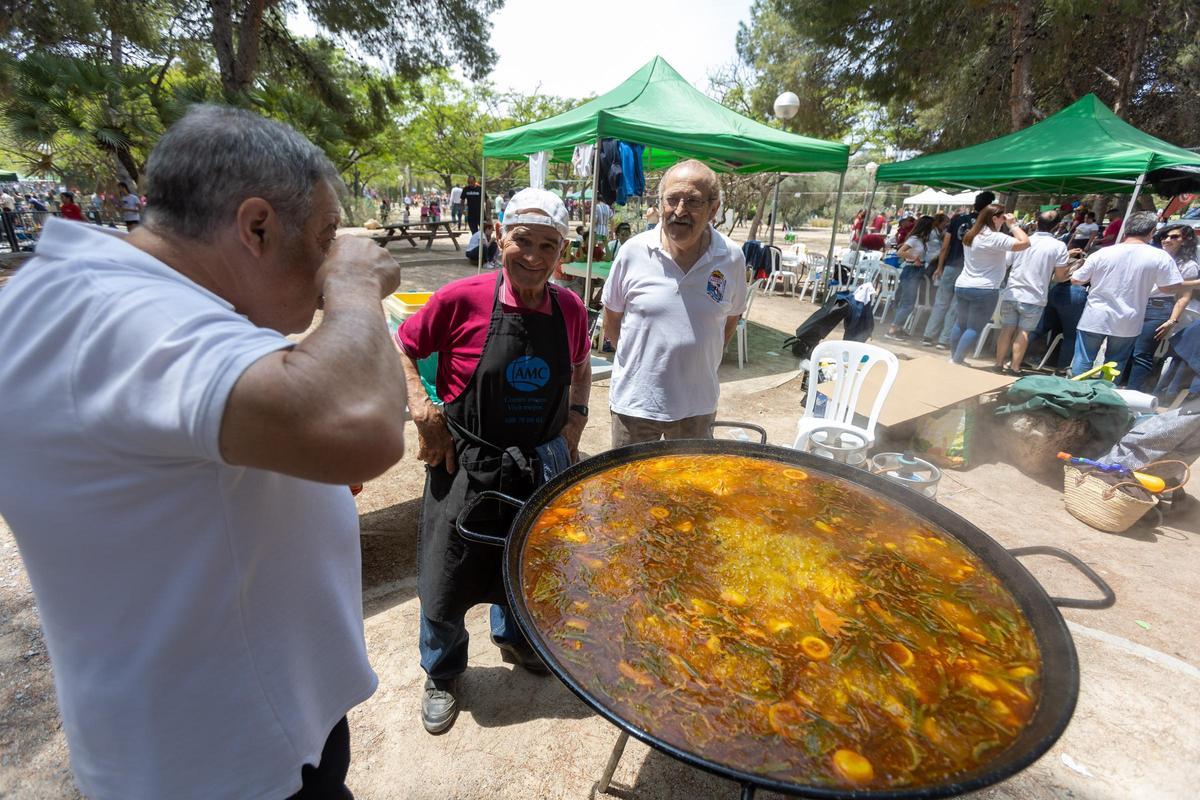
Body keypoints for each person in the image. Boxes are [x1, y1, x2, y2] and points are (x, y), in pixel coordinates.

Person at [0, 105, 407, 800]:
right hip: (230, 759)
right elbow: (360, 426)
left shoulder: (93, 294)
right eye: (324, 237)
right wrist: (355, 285)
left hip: (222, 728)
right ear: (256, 227)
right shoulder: (125, 315)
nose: (326, 264)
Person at [395, 188, 590, 735]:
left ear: (562, 252)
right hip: (467, 460)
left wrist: (576, 421)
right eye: (521, 241)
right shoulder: (461, 298)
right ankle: (443, 670)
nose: (533, 256)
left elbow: (580, 367)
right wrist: (422, 407)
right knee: (447, 571)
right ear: (498, 237)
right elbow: (403, 346)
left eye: (547, 245)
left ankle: (518, 640)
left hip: (537, 465)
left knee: (527, 565)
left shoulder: (570, 308)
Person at [602, 159, 748, 446]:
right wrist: (641, 363)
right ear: (660, 203)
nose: (680, 211)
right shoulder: (633, 251)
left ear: (713, 209)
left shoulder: (731, 258)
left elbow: (730, 321)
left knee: (689, 489)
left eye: (693, 201)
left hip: (697, 408)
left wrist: (695, 358)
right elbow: (611, 318)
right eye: (672, 199)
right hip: (634, 405)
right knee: (630, 488)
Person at [1070, 211, 1183, 376]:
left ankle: (1075, 396)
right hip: (1129, 319)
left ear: (1125, 230)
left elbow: (1077, 279)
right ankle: (1103, 398)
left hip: (1095, 315)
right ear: (1152, 232)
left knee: (1083, 359)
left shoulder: (1103, 253)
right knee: (1115, 364)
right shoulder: (1160, 257)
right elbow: (1168, 288)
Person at [949, 204, 1030, 365]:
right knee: (974, 327)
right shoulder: (994, 237)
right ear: (994, 218)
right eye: (1002, 217)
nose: (1005, 219)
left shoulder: (971, 234)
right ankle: (957, 361)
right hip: (984, 288)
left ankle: (953, 357)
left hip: (963, 284)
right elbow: (1025, 242)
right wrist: (1013, 225)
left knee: (960, 323)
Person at [993, 211, 1069, 375]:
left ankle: (998, 364)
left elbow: (1005, 264)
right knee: (1023, 333)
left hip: (1012, 291)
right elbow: (1060, 276)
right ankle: (1014, 367)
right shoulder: (1058, 246)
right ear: (1057, 226)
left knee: (1007, 330)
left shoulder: (1021, 240)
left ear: (1036, 222)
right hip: (1035, 296)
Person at [1123, 223, 1198, 390]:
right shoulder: (1152, 256)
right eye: (1165, 236)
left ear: (1185, 241)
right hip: (1135, 303)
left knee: (1141, 353)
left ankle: (1134, 393)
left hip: (1158, 308)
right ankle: (1118, 387)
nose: (1167, 240)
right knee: (1125, 348)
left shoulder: (1188, 265)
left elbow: (1184, 297)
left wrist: (1172, 320)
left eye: (1174, 237)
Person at [923, 192, 996, 348]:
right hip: (970, 271)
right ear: (989, 205)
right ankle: (944, 339)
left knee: (941, 302)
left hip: (950, 266)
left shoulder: (958, 220)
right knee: (956, 306)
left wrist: (940, 266)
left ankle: (928, 336)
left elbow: (945, 246)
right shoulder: (987, 225)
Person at [883, 215, 937, 340]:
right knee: (908, 303)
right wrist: (915, 258)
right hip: (912, 270)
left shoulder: (921, 240)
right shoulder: (914, 239)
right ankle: (893, 329)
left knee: (907, 301)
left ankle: (898, 328)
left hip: (915, 270)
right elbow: (900, 252)